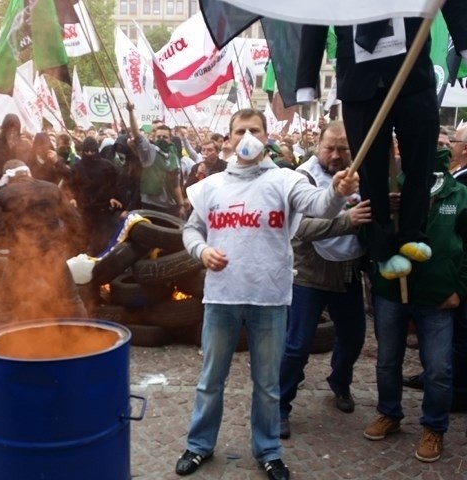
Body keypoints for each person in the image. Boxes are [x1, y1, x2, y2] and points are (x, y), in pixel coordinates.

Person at [176, 108, 359, 480]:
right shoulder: (210, 186)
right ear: (227, 139)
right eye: (240, 130)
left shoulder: (286, 180)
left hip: (270, 299)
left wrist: (338, 193)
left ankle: (268, 450)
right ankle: (199, 446)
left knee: (268, 384)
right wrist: (201, 251)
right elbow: (191, 230)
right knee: (211, 379)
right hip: (222, 299)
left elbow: (320, 206)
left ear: (267, 135)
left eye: (254, 130)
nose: (247, 137)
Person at [296, 2, 467, 280]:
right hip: (359, 81)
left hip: (412, 72)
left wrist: (464, 42)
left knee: (421, 157)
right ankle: (383, 248)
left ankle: (413, 233)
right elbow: (315, 17)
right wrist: (306, 79)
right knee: (369, 173)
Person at [363, 146, 467, 462]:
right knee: (387, 360)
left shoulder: (459, 194)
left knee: (438, 368)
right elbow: (367, 234)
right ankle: (389, 413)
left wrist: (459, 289)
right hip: (393, 293)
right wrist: (384, 210)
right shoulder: (395, 186)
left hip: (437, 297)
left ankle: (434, 427)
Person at [279, 121, 371, 439]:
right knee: (297, 344)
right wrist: (346, 221)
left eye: (342, 148)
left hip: (348, 268)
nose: (335, 154)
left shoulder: (364, 172)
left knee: (354, 337)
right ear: (318, 145)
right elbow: (299, 228)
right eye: (329, 147)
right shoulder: (301, 177)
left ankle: (340, 382)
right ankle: (280, 406)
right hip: (309, 271)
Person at [0, 159, 87, 322]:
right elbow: (75, 220)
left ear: (8, 178)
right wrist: (64, 241)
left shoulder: (2, 194)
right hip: (52, 254)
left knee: (7, 305)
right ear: (28, 173)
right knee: (71, 299)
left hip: (20, 257)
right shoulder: (51, 188)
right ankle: (84, 336)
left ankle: (4, 342)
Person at [127, 105, 185, 218]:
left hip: (169, 206)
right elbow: (136, 133)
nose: (161, 140)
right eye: (158, 137)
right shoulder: (150, 151)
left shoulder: (173, 156)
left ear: (170, 139)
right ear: (154, 138)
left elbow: (175, 184)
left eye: (164, 137)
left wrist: (181, 205)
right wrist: (130, 112)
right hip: (151, 205)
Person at [67, 137, 122, 256]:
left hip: (104, 210)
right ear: (82, 152)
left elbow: (116, 184)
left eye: (93, 151)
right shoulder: (77, 168)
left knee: (101, 242)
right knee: (83, 240)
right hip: (84, 210)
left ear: (97, 150)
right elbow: (71, 186)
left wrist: (114, 197)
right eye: (87, 152)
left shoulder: (107, 166)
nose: (90, 154)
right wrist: (72, 198)